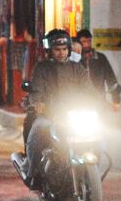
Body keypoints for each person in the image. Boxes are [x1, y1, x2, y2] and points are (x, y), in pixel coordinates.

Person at [14, 29, 93, 184]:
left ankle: (88, 173)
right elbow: (36, 89)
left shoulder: (78, 68)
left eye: (64, 49)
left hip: (73, 116)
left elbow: (89, 89)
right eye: (57, 50)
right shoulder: (41, 68)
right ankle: (31, 171)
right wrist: (38, 103)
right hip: (49, 116)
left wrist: (101, 103)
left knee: (97, 135)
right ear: (50, 50)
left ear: (69, 49)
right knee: (38, 130)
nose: (61, 53)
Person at [76, 28, 121, 110]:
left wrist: (116, 100)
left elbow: (111, 79)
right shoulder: (75, 60)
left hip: (99, 103)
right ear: (78, 43)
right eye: (84, 42)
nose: (87, 45)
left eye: (89, 41)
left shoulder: (101, 58)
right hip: (78, 104)